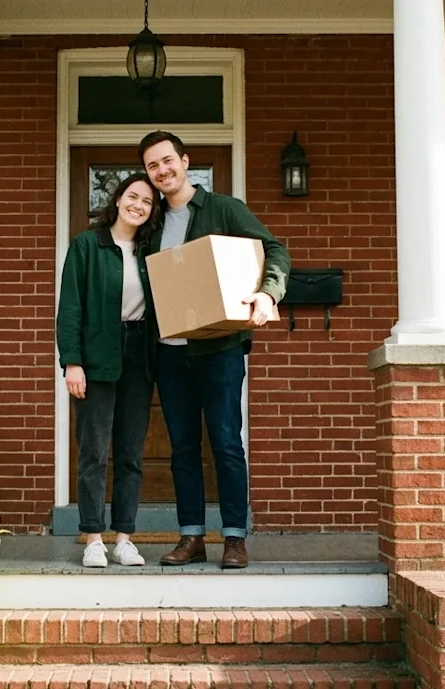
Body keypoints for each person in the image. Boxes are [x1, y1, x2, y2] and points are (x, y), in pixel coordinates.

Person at [139, 130, 290, 570]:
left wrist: (268, 294)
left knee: (225, 442)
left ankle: (234, 537)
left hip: (220, 346)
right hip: (169, 351)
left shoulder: (223, 209)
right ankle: (191, 537)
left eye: (167, 160)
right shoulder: (151, 224)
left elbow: (275, 249)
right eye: (153, 166)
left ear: (185, 161)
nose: (162, 171)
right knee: (182, 447)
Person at [56, 174, 163, 568]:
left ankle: (124, 538)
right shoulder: (87, 245)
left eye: (147, 202)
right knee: (94, 451)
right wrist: (72, 361)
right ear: (117, 199)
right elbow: (70, 308)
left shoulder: (151, 252)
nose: (138, 205)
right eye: (133, 196)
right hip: (97, 352)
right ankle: (94, 538)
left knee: (131, 452)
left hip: (139, 354)